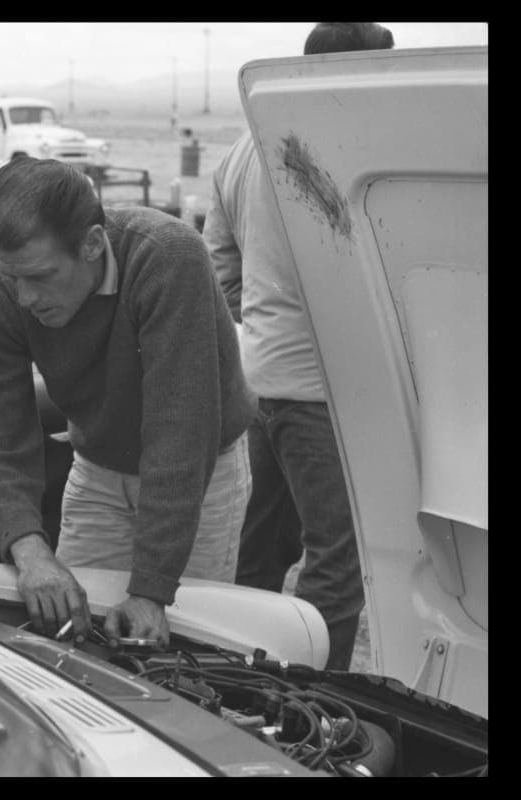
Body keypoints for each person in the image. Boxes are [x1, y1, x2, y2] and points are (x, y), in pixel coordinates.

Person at [0, 157, 255, 647]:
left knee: (184, 646)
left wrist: (152, 589)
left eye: (40, 276)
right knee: (73, 627)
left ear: (93, 243)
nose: (26, 298)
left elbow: (180, 432)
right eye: (12, 277)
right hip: (98, 467)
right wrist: (31, 554)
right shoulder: (8, 289)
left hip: (199, 474)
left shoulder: (167, 258)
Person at [202, 22, 394, 670]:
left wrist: (261, 325)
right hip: (322, 395)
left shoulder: (241, 151)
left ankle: (241, 682)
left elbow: (218, 263)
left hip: (261, 382)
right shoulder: (346, 152)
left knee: (262, 554)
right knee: (336, 564)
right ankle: (323, 702)